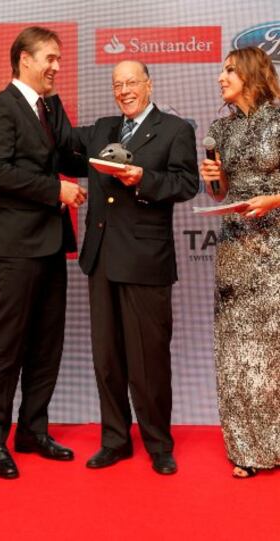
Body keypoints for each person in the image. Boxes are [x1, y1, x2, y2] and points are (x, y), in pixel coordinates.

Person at [48, 60, 199, 474]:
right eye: (118, 84)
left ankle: (158, 444)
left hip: (146, 262)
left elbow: (187, 183)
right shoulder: (102, 128)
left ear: (148, 84)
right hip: (101, 259)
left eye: (132, 82)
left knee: (149, 361)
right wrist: (47, 95)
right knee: (108, 359)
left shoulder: (175, 129)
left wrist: (144, 179)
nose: (124, 90)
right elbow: (62, 144)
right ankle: (115, 440)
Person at [0, 26, 87, 479]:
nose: (57, 67)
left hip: (50, 244)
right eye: (50, 58)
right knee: (7, 344)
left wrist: (124, 158)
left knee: (47, 343)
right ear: (24, 59)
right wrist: (55, 190)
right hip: (14, 245)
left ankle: (32, 430)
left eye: (59, 59)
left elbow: (71, 158)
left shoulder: (51, 105)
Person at [200, 46, 280, 478]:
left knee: (273, 350)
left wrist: (273, 200)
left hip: (277, 248)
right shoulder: (219, 131)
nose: (220, 78)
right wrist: (215, 184)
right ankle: (246, 450)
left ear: (250, 74)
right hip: (236, 248)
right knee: (235, 351)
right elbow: (221, 194)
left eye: (229, 70)